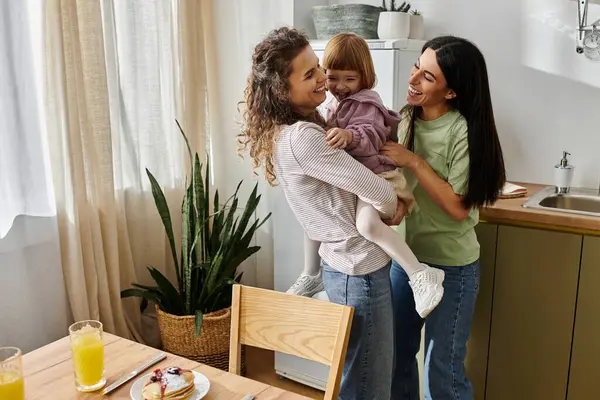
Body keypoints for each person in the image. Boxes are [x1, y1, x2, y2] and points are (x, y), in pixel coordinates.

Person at [238, 27, 403, 399]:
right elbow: (380, 191)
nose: (323, 82)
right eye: (310, 74)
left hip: (343, 267)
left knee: (358, 379)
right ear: (282, 88)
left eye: (319, 69)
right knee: (368, 387)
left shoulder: (293, 129)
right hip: (358, 268)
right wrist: (396, 207)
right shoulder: (305, 137)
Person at [286, 32, 445, 318]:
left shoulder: (367, 102)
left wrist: (349, 136)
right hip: (359, 178)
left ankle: (420, 273)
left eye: (350, 79)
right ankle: (312, 273)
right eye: (333, 77)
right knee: (313, 223)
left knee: (368, 226)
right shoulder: (332, 103)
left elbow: (371, 135)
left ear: (364, 77)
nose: (341, 86)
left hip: (380, 175)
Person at [381, 36, 506, 399]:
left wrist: (415, 162)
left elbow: (457, 207)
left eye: (428, 77)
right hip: (408, 263)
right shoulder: (405, 119)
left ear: (451, 92)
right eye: (416, 66)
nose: (414, 78)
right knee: (396, 356)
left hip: (453, 268)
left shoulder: (461, 130)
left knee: (443, 370)